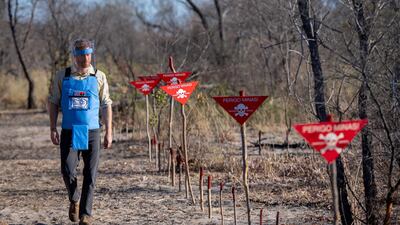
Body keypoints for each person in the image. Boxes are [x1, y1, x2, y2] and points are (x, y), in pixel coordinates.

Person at [48, 39, 113, 225]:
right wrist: (53, 127)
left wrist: (109, 131)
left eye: (88, 54)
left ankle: (86, 214)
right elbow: (53, 101)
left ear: (91, 54)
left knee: (90, 174)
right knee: (67, 169)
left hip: (92, 131)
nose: (85, 57)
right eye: (81, 54)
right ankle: (74, 198)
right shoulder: (63, 75)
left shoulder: (99, 76)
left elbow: (106, 104)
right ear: (74, 55)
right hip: (70, 130)